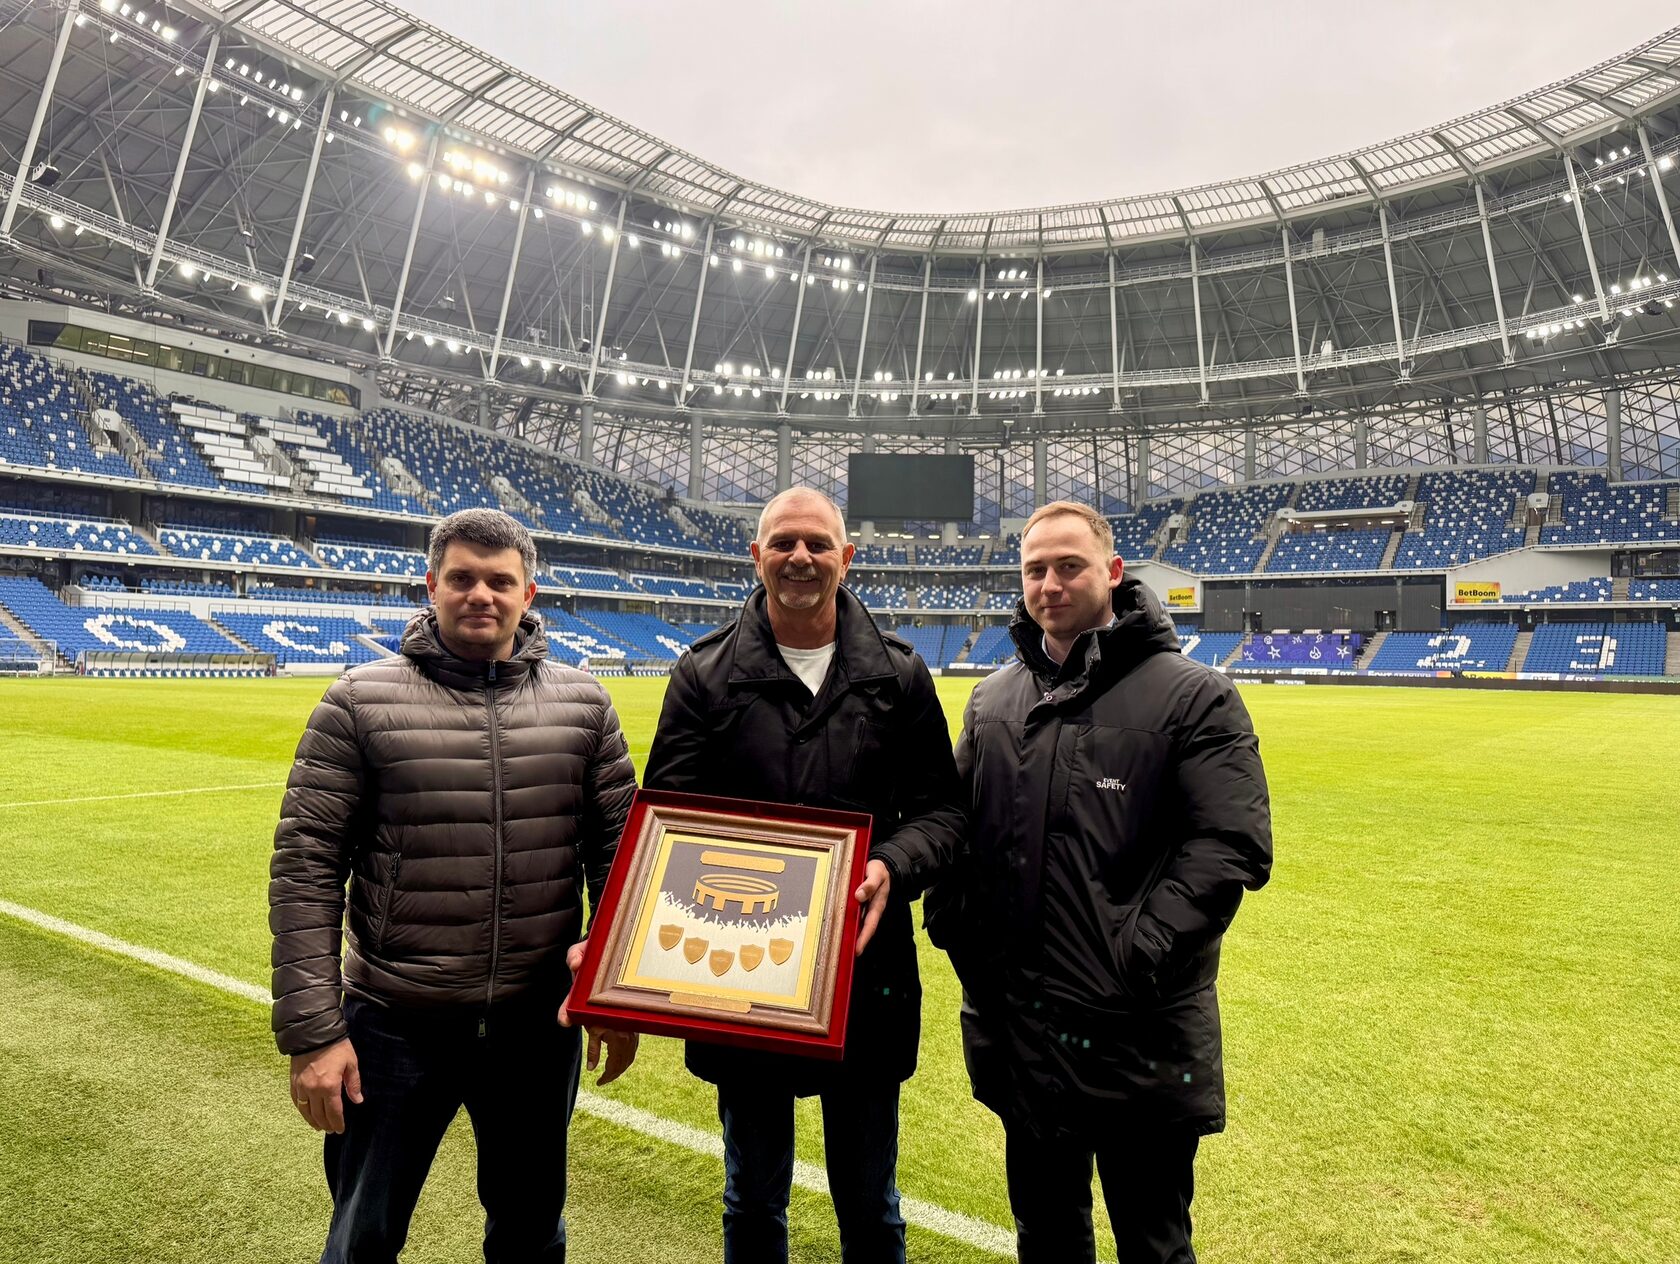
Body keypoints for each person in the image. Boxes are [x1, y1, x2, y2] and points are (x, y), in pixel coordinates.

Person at [270, 507, 640, 1264]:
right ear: (431, 584)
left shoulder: (584, 704)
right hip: (394, 1022)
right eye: (463, 578)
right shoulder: (358, 701)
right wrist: (314, 1033)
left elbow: (621, 860)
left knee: (531, 1231)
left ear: (528, 594)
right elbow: (306, 867)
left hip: (538, 1025)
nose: (481, 595)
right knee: (364, 1233)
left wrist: (616, 992)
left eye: (499, 581)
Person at [924, 500, 1272, 1264]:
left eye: (1069, 566)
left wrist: (1134, 955)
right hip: (1021, 1034)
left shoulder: (1195, 696)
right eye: (1034, 570)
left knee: (1153, 1246)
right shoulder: (993, 700)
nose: (1049, 584)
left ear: (1112, 572)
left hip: (1135, 1038)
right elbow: (956, 828)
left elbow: (1230, 845)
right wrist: (954, 926)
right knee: (1045, 1238)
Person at [640, 486, 963, 1263]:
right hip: (742, 976)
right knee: (753, 1199)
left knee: (871, 1205)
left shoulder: (900, 676)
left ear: (846, 558)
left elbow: (944, 814)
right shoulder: (703, 676)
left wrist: (892, 863)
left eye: (818, 543)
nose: (800, 557)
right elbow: (664, 824)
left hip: (866, 976)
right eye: (783, 542)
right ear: (757, 556)